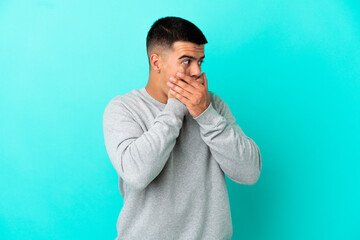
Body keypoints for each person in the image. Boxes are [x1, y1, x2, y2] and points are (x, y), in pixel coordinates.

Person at [103, 16, 262, 240]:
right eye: (187, 61)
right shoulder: (124, 108)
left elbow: (250, 172)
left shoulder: (212, 105)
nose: (197, 71)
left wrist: (206, 114)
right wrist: (175, 108)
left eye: (200, 61)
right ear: (156, 62)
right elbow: (137, 174)